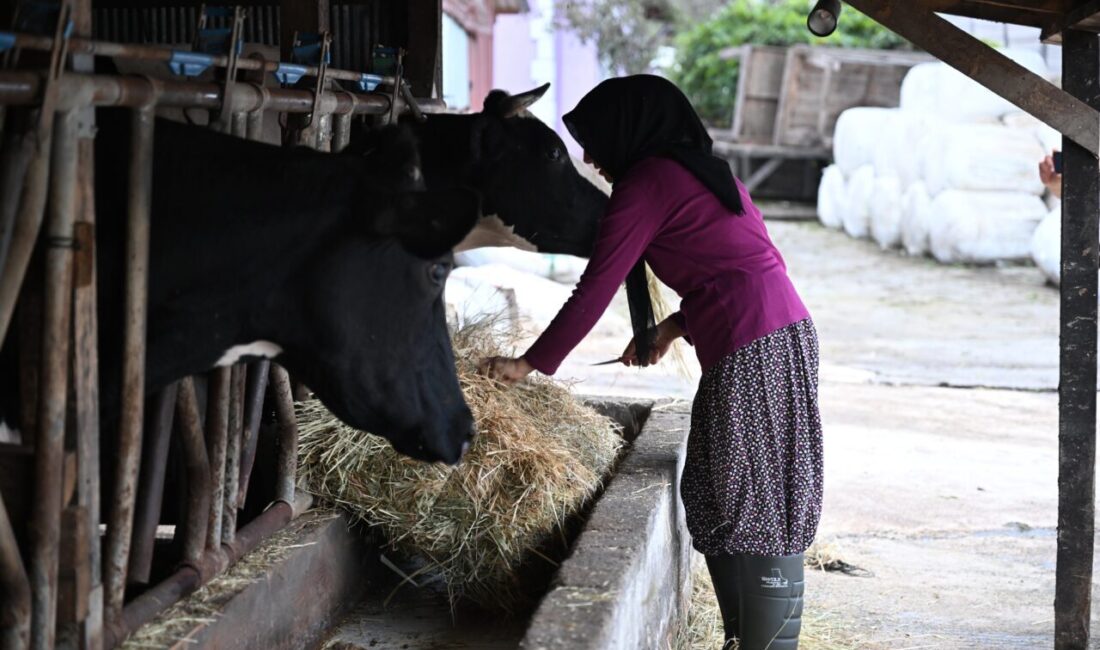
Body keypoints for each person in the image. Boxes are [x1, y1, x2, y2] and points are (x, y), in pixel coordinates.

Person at [480, 75, 823, 650]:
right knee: (715, 494)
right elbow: (739, 265)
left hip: (754, 344)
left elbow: (594, 288)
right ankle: (742, 637)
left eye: (595, 140)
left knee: (755, 499)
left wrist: (529, 364)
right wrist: (670, 327)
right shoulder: (705, 175)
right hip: (771, 334)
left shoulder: (647, 182)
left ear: (628, 130)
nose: (590, 158)